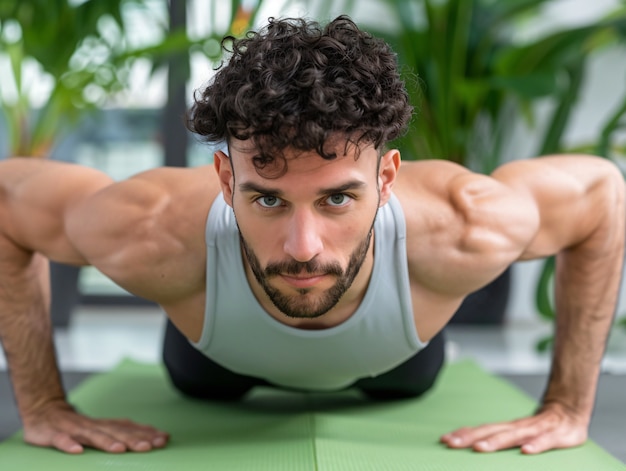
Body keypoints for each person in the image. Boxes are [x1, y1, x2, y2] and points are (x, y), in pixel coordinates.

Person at [0, 15, 623, 457]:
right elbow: (10, 201)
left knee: (406, 376)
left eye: (338, 198)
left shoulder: (465, 224)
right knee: (198, 378)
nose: (303, 247)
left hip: (395, 364)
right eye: (267, 198)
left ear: (387, 176)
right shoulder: (151, 228)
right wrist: (44, 405)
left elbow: (601, 193)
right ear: (224, 178)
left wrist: (569, 404)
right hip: (213, 364)